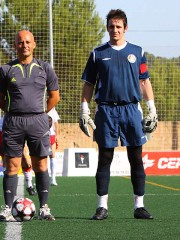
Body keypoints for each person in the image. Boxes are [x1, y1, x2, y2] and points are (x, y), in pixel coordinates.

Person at [79, 9, 158, 220]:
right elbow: (88, 84)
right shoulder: (97, 53)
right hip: (106, 110)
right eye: (112, 26)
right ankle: (102, 207)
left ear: (125, 28)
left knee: (136, 158)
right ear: (107, 28)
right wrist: (84, 110)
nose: (115, 30)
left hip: (131, 110)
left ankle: (139, 206)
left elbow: (144, 81)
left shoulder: (137, 52)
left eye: (119, 27)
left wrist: (152, 108)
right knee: (105, 158)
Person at [0, 29, 60, 221]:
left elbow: (55, 95)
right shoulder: (6, 70)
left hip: (38, 121)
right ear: (15, 45)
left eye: (28, 42)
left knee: (41, 164)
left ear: (34, 44)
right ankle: (7, 208)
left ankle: (44, 208)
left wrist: (40, 112)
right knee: (12, 166)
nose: (25, 45)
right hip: (13, 122)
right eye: (21, 42)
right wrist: (15, 110)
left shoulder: (44, 68)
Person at [0, 116, 37, 196]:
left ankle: (29, 185)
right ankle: (9, 188)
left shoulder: (33, 118)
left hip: (19, 129)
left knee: (25, 159)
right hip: (2, 129)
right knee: (6, 159)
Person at [47, 107, 60, 186]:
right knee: (42, 157)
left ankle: (53, 179)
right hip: (41, 135)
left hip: (51, 135)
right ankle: (44, 178)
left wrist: (57, 135)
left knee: (52, 156)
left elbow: (56, 123)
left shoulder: (52, 109)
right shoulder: (37, 106)